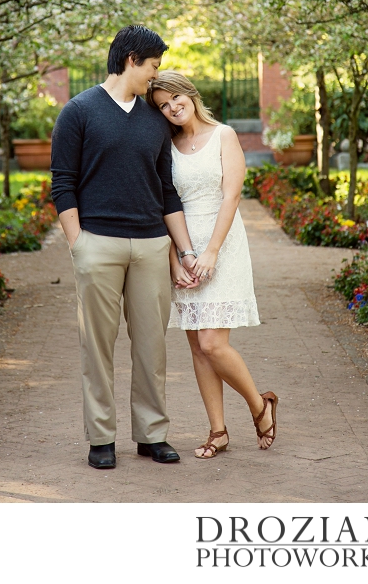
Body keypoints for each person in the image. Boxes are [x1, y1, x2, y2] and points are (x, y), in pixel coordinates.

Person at [51, 25, 201, 470]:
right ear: (133, 59)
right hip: (98, 244)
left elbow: (167, 190)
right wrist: (79, 245)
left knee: (152, 346)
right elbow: (63, 184)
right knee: (96, 346)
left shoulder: (155, 119)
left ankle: (152, 435)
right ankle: (101, 439)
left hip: (152, 247)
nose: (156, 77)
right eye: (153, 66)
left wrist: (184, 250)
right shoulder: (78, 111)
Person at [146, 71, 277, 458]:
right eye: (162, 106)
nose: (172, 108)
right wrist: (175, 259)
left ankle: (259, 405)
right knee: (197, 348)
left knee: (212, 342)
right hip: (183, 245)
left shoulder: (224, 135)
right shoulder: (164, 146)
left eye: (174, 99)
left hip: (221, 244)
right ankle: (218, 431)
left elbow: (231, 197)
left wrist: (212, 251)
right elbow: (163, 203)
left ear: (189, 93)